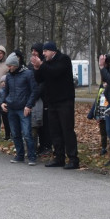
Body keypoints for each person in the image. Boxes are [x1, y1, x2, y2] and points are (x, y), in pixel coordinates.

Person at [30, 41, 79, 169]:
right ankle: (59, 157)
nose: (44, 54)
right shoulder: (46, 63)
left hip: (65, 100)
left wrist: (41, 65)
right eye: (43, 52)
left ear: (53, 51)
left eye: (45, 51)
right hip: (51, 101)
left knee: (67, 130)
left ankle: (73, 159)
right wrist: (36, 68)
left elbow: (55, 72)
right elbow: (40, 79)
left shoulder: (64, 60)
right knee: (55, 131)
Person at [0, 52, 40, 165]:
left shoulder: (28, 74)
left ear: (16, 65)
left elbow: (34, 91)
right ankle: (20, 155)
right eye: (8, 66)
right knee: (15, 133)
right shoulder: (8, 76)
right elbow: (5, 91)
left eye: (10, 66)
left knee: (27, 133)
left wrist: (29, 105)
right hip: (11, 108)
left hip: (23, 108)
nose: (9, 68)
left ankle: (32, 156)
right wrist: (3, 102)